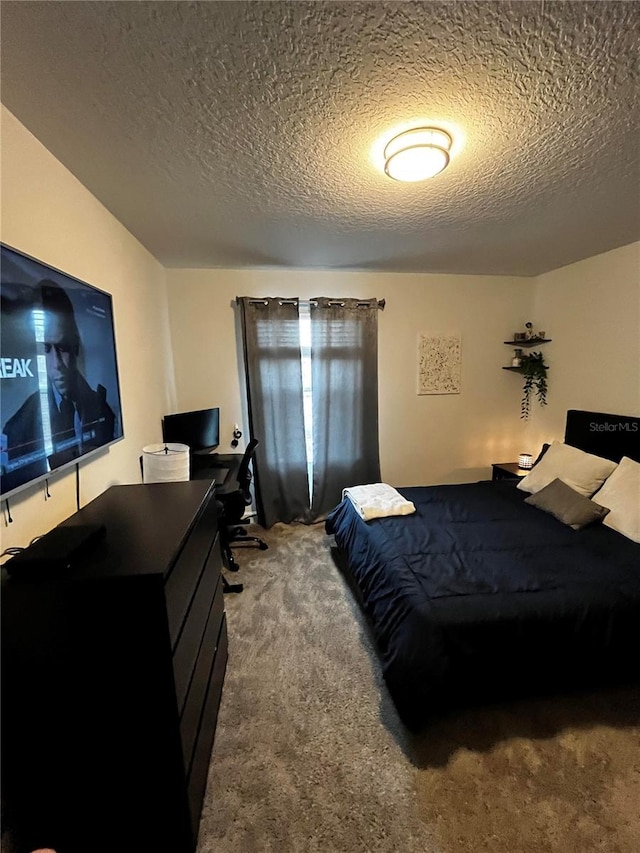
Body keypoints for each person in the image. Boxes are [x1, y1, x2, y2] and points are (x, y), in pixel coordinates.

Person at [2, 279, 116, 474]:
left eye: (62, 347)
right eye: (45, 348)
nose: (56, 364)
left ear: (76, 346)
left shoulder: (101, 408)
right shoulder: (17, 429)